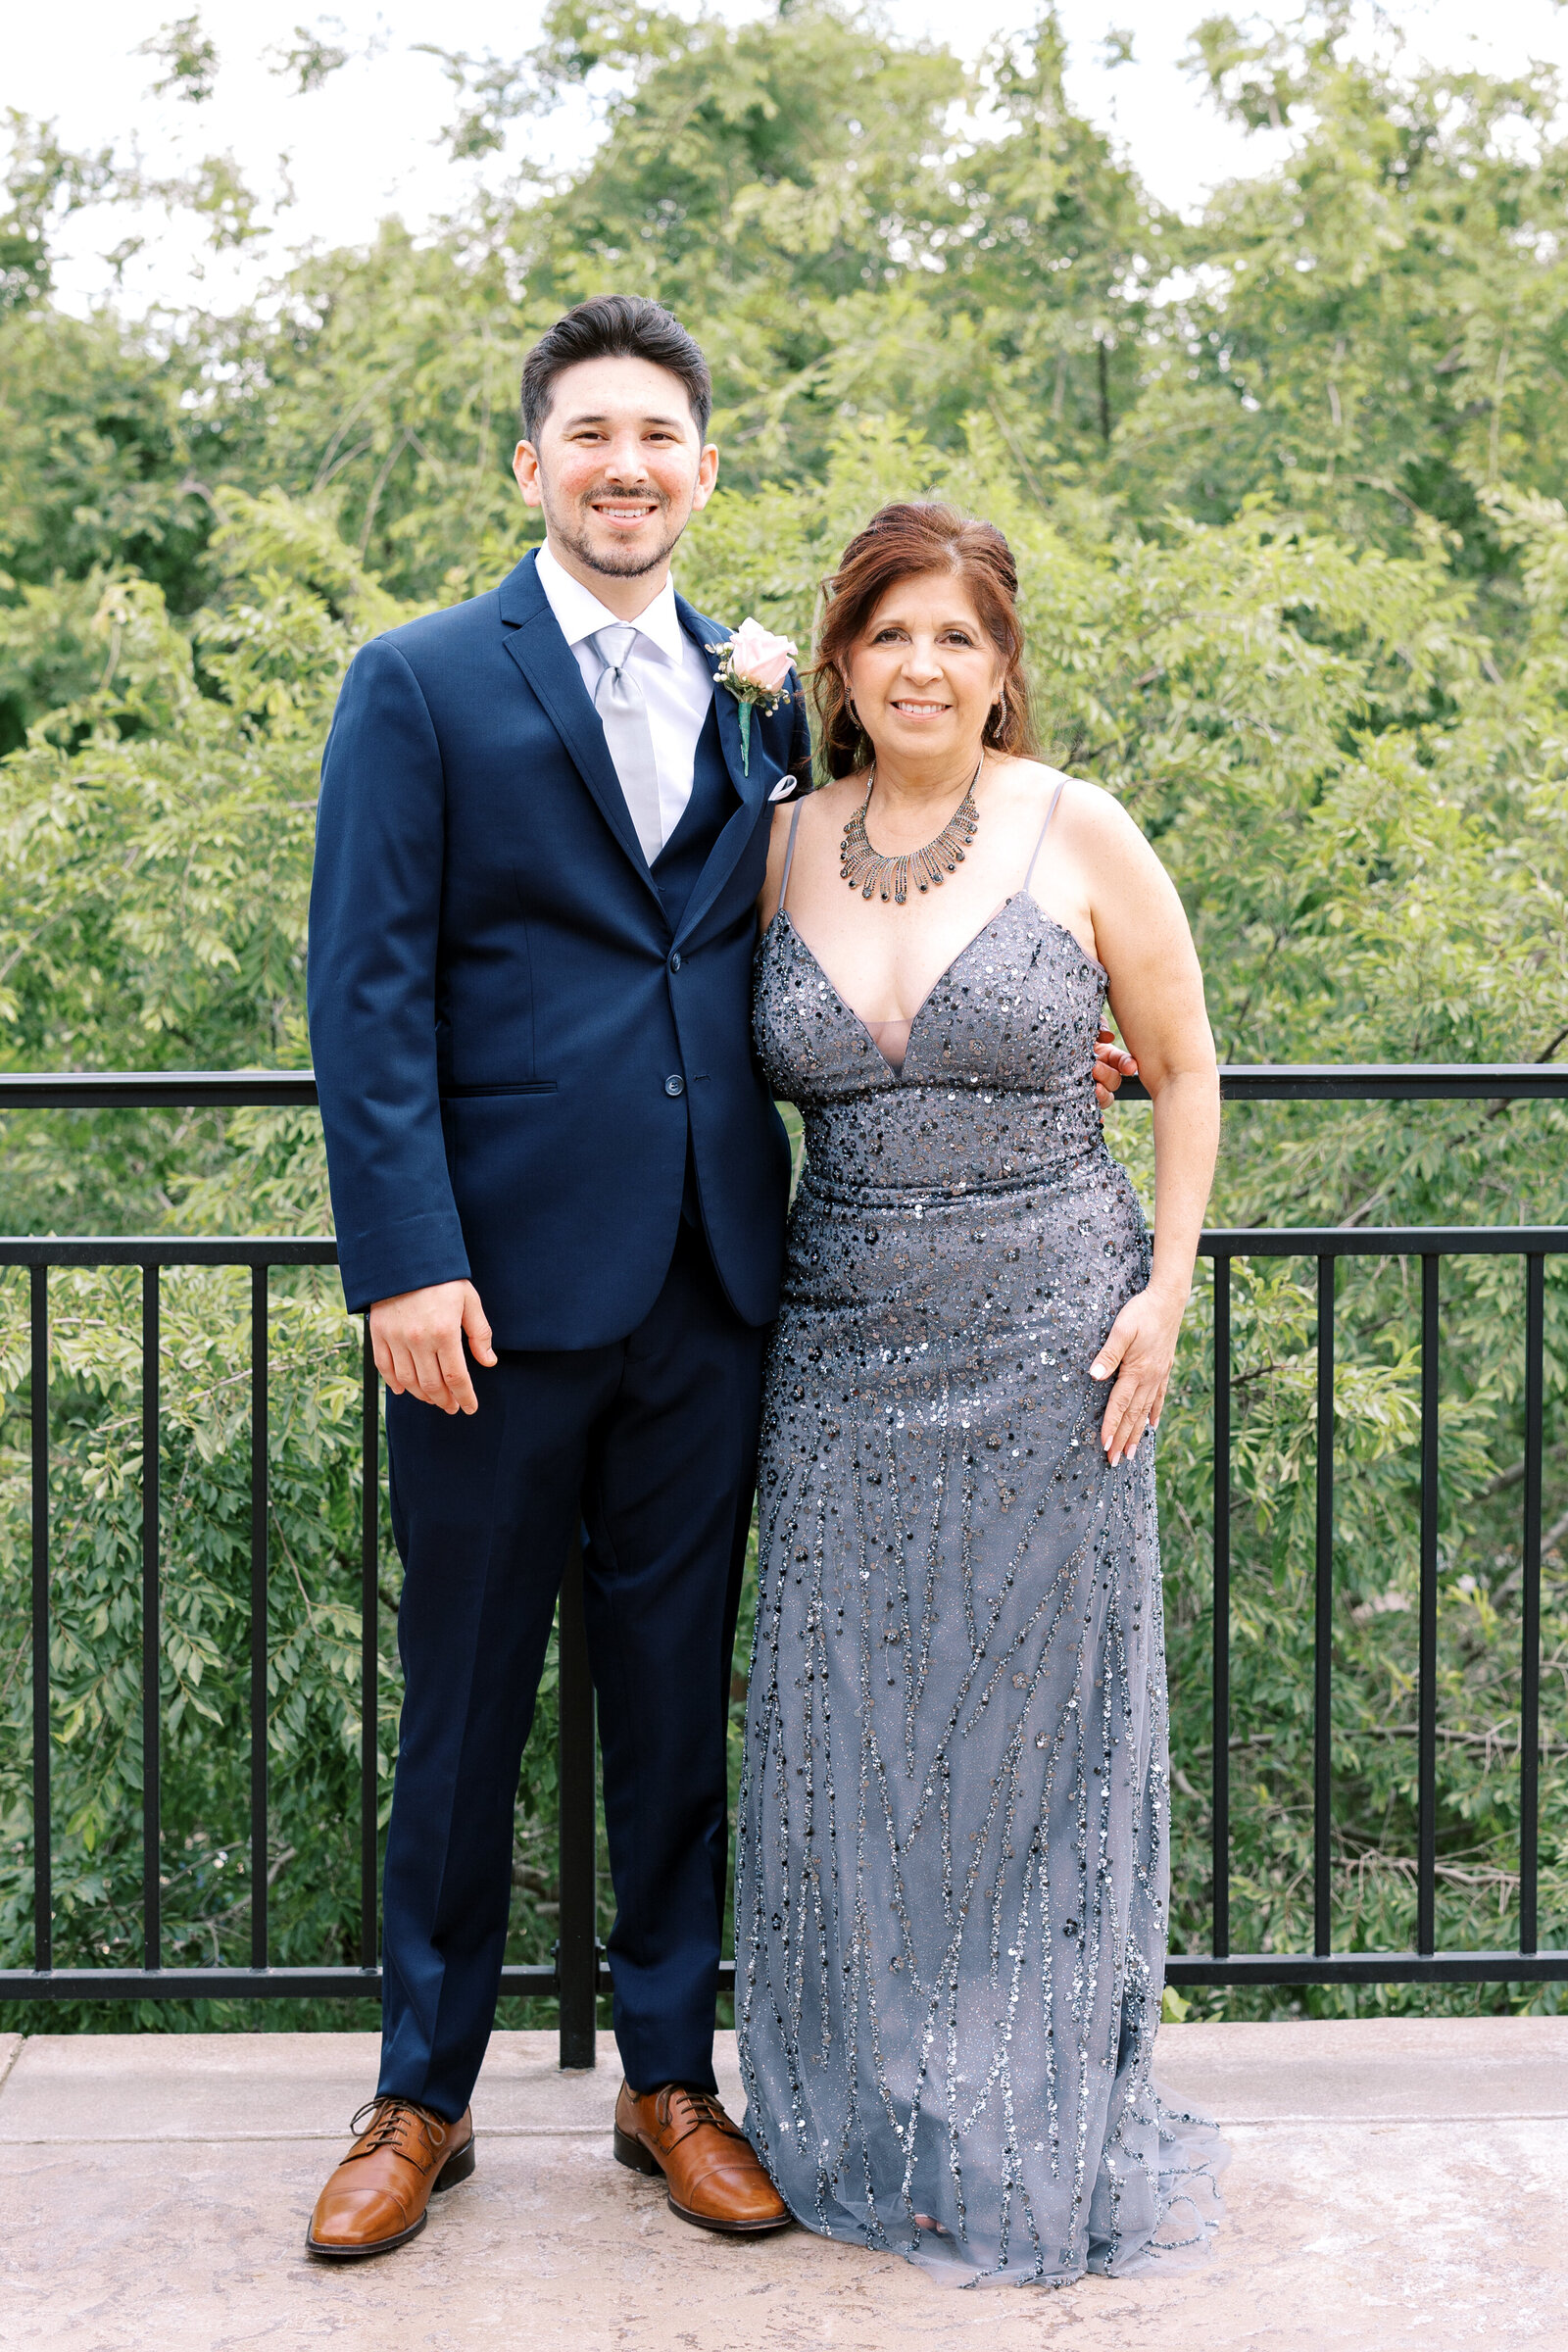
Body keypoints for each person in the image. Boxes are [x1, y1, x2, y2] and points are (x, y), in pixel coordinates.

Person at [303, 295, 1133, 2263]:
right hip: (486, 1305)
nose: (623, 467)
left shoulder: (761, 701)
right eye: (586, 434)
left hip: (714, 1295)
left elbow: (844, 924)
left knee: (678, 1707)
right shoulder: (417, 684)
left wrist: (1039, 1039)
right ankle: (421, 2091)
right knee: (463, 1705)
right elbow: (366, 1000)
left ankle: (667, 2079)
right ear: (532, 466)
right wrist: (401, 1260)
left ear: (697, 467)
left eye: (657, 438)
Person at [736, 501, 1224, 2285]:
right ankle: (867, 2110)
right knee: (848, 1734)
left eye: (956, 636)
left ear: (1001, 663)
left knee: (1038, 1740)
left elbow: (1179, 1068)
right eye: (888, 638)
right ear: (844, 667)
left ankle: (1035, 2114)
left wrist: (1164, 1296)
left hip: (1054, 1342)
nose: (923, 666)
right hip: (844, 1349)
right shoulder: (775, 844)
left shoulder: (1078, 827)